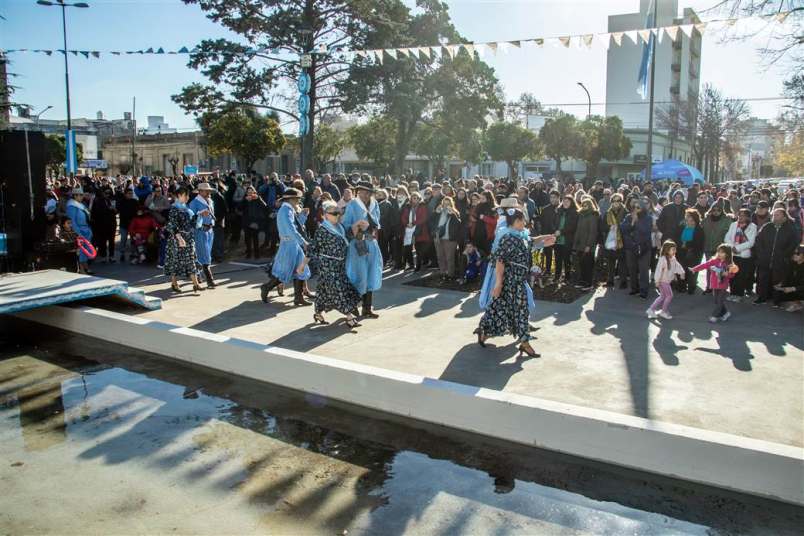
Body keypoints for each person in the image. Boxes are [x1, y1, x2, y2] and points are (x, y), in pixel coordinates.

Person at [474, 209, 539, 358]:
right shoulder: (508, 238)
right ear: (512, 223)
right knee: (514, 309)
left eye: (523, 219)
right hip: (509, 281)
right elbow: (500, 261)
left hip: (519, 280)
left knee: (503, 308)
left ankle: (486, 331)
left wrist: (546, 238)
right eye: (519, 220)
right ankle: (524, 342)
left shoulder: (522, 236)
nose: (523, 222)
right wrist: (498, 284)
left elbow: (532, 241)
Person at [309, 201, 362, 328]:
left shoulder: (340, 227)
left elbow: (347, 241)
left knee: (324, 290)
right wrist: (302, 265)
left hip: (340, 264)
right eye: (334, 213)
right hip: (328, 265)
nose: (337, 215)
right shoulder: (322, 230)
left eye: (338, 213)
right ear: (326, 215)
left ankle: (317, 313)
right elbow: (313, 249)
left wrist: (356, 228)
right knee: (339, 290)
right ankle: (349, 317)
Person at [260, 188, 311, 306]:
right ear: (291, 199)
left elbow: (296, 226)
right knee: (284, 272)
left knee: (301, 270)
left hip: (293, 244)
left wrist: (303, 216)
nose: (299, 201)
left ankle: (298, 298)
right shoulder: (285, 210)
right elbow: (291, 229)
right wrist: (303, 242)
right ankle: (266, 287)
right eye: (298, 198)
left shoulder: (288, 209)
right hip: (289, 245)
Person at [343, 181, 383, 318]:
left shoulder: (374, 204)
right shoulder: (352, 205)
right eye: (362, 192)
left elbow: (378, 223)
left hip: (371, 243)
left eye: (368, 192)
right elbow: (345, 226)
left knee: (371, 274)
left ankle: (367, 308)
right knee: (358, 275)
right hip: (357, 244)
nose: (365, 195)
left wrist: (371, 226)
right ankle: (353, 307)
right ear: (357, 192)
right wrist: (357, 226)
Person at [754, 208, 799, 304]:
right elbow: (758, 240)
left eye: (777, 215)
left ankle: (777, 300)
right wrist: (761, 253)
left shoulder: (790, 229)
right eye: (774, 215)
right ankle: (762, 297)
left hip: (780, 260)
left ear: (784, 217)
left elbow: (793, 243)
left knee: (778, 280)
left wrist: (785, 255)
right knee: (763, 279)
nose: (775, 217)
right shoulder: (767, 226)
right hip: (765, 259)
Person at [164, 186, 204, 293]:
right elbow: (172, 225)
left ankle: (196, 284)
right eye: (185, 195)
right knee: (175, 261)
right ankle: (174, 283)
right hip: (177, 239)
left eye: (187, 196)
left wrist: (200, 215)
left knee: (191, 260)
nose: (187, 198)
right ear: (179, 196)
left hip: (188, 238)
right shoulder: (174, 209)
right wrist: (179, 238)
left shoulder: (187, 209)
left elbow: (192, 223)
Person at [692, 244, 739, 323]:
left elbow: (732, 274)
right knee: (716, 301)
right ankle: (726, 313)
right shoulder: (714, 260)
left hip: (723, 286)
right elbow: (705, 265)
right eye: (719, 252)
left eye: (722, 252)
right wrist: (695, 269)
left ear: (727, 254)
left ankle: (714, 316)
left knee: (719, 301)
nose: (720, 254)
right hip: (714, 285)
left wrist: (727, 274)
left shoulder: (729, 264)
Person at [620, 198, 653, 299]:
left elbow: (645, 231)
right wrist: (632, 222)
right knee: (632, 269)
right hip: (631, 247)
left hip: (644, 248)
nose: (636, 209)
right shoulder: (628, 217)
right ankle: (634, 289)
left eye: (638, 207)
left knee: (643, 270)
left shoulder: (648, 218)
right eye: (634, 207)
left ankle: (644, 291)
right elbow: (623, 229)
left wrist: (637, 221)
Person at [646, 240, 686, 319]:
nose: (675, 251)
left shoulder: (673, 258)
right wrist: (657, 281)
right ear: (667, 250)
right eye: (673, 249)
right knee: (669, 295)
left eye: (675, 249)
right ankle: (663, 311)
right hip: (663, 281)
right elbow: (658, 270)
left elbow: (677, 266)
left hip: (666, 281)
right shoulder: (663, 259)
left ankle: (651, 309)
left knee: (663, 296)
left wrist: (681, 273)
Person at [724, 208, 757, 302]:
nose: (740, 217)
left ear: (748, 217)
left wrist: (738, 248)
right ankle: (732, 293)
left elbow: (751, 242)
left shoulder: (752, 226)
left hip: (744, 255)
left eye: (743, 215)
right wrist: (732, 247)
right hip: (732, 254)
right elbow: (727, 237)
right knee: (732, 275)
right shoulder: (733, 224)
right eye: (739, 215)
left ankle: (739, 294)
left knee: (741, 276)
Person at [189, 182, 217, 288]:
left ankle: (198, 275)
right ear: (200, 191)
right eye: (206, 190)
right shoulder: (194, 202)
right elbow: (190, 217)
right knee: (204, 255)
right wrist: (200, 214)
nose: (208, 192)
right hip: (200, 231)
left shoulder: (210, 201)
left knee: (205, 255)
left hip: (210, 230)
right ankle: (210, 280)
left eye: (209, 190)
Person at [701, 198, 732, 293]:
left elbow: (730, 234)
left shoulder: (727, 220)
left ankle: (721, 286)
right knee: (710, 268)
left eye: (718, 210)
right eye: (714, 209)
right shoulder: (706, 220)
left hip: (721, 248)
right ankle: (709, 286)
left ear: (722, 210)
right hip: (708, 247)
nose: (716, 212)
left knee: (721, 268)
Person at [573, 195, 599, 291]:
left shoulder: (592, 216)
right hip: (580, 245)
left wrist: (589, 245)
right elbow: (578, 231)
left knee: (588, 265)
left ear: (590, 205)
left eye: (586, 205)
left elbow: (593, 232)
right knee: (582, 265)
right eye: (583, 205)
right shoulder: (581, 216)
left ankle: (589, 283)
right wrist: (575, 244)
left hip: (588, 246)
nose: (584, 206)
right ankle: (582, 282)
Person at [66, 187, 93, 275]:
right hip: (80, 231)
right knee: (81, 251)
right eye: (80, 195)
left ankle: (86, 267)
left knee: (86, 250)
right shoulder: (71, 206)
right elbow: (72, 221)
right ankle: (81, 269)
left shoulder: (81, 204)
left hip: (86, 229)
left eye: (82, 195)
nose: (82, 196)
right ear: (75, 196)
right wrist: (78, 233)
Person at [602, 193, 627, 288]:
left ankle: (623, 281)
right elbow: (602, 227)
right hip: (610, 240)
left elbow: (628, 226)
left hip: (622, 241)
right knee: (610, 263)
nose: (616, 203)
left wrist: (618, 227)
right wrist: (610, 228)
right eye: (614, 201)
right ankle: (610, 281)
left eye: (618, 201)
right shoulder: (607, 214)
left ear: (621, 202)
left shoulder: (625, 212)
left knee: (622, 263)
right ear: (611, 202)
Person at [677, 209, 704, 295]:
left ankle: (691, 288)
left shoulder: (699, 229)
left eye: (689, 216)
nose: (687, 218)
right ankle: (682, 286)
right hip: (682, 252)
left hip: (694, 253)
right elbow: (678, 238)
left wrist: (687, 245)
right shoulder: (682, 226)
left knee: (692, 271)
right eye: (686, 216)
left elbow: (699, 243)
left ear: (694, 218)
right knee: (682, 270)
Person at [434, 196, 461, 280]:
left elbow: (458, 223)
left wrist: (453, 214)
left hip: (450, 238)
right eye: (444, 203)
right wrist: (435, 213)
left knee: (449, 257)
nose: (446, 205)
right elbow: (431, 222)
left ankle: (450, 274)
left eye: (448, 203)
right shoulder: (439, 212)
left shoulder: (454, 212)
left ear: (451, 204)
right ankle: (443, 273)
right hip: (438, 237)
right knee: (440, 256)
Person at [553, 195, 578, 284]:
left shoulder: (574, 213)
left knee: (567, 260)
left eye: (567, 201)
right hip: (557, 239)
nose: (565, 203)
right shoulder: (559, 211)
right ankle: (557, 277)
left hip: (567, 239)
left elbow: (572, 227)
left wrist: (561, 232)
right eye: (564, 201)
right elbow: (555, 222)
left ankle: (567, 277)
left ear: (571, 202)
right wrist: (555, 230)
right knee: (557, 259)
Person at [773, 245, 804, 311]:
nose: (795, 255)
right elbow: (787, 276)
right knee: (777, 293)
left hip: (800, 288)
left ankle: (797, 303)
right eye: (794, 253)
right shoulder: (792, 263)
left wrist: (792, 288)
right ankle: (796, 302)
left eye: (798, 253)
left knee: (795, 291)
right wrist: (781, 284)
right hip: (797, 286)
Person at [91, 187, 117, 263]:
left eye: (109, 193)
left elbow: (116, 211)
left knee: (111, 241)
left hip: (111, 223)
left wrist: (114, 210)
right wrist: (108, 209)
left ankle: (111, 256)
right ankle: (103, 256)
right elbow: (95, 213)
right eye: (106, 193)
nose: (107, 195)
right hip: (102, 224)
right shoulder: (98, 201)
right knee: (103, 241)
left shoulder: (112, 200)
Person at [241, 185, 267, 259]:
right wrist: (245, 200)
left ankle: (257, 254)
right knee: (247, 239)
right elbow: (239, 208)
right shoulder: (245, 199)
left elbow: (265, 206)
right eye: (248, 192)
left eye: (251, 192)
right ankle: (248, 253)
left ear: (254, 192)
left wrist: (258, 198)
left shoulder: (257, 198)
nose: (249, 194)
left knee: (255, 239)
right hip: (247, 222)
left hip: (255, 221)